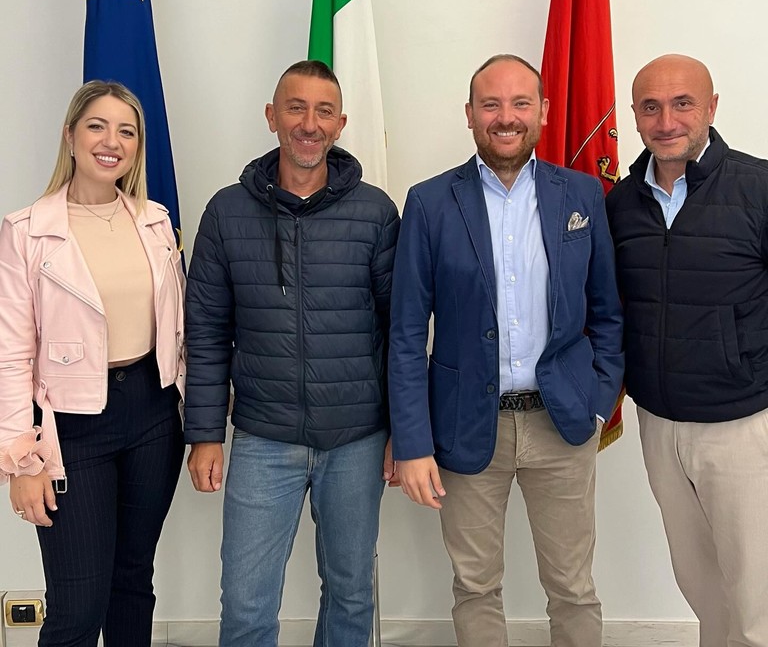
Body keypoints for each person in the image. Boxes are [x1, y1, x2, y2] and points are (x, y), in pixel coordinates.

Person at [388, 54, 624, 647]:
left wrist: (598, 402)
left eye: (520, 103)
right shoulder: (430, 202)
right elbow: (407, 332)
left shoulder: (583, 195)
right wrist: (412, 441)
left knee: (573, 587)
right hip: (466, 425)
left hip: (562, 422)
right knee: (475, 586)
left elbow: (607, 312)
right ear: (469, 114)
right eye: (490, 104)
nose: (506, 117)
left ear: (542, 112)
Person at [184, 60, 400, 647]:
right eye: (296, 108)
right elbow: (205, 331)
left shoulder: (376, 212)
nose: (309, 123)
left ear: (341, 124)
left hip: (356, 439)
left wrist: (401, 432)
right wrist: (204, 434)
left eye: (324, 111)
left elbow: (398, 331)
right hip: (263, 438)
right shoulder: (226, 213)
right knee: (247, 604)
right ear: (272, 116)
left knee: (351, 594)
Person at [0, 81, 186, 646]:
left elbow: (178, 326)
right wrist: (20, 462)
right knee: (78, 605)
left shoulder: (155, 221)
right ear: (70, 136)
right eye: (97, 127)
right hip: (72, 427)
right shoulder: (26, 231)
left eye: (126, 131)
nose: (112, 142)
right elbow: (10, 354)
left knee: (132, 583)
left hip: (153, 415)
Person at [606, 54, 768, 647]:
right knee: (701, 583)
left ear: (712, 108)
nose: (666, 121)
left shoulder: (758, 187)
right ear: (634, 115)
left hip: (742, 423)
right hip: (660, 422)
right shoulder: (621, 202)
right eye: (650, 107)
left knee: (757, 594)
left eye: (682, 104)